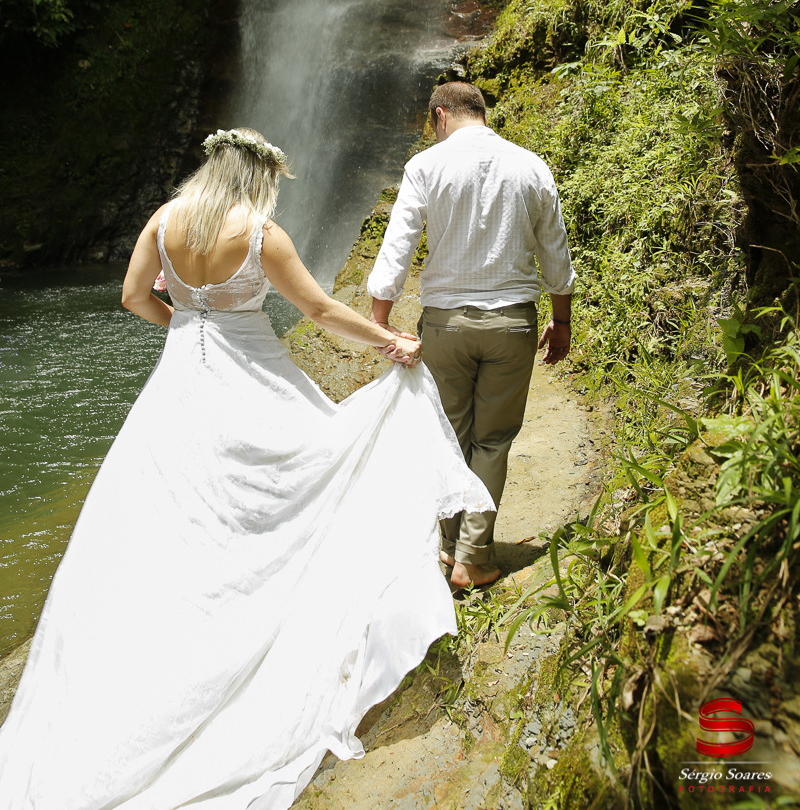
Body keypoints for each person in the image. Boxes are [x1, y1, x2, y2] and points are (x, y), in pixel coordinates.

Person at [0, 127, 492, 810]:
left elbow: (133, 297)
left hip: (177, 382)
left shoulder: (165, 221)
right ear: (257, 177)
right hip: (254, 372)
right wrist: (390, 340)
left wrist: (184, 324)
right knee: (302, 473)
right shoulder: (262, 234)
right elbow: (318, 309)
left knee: (176, 507)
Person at [368, 82, 576, 590]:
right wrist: (562, 317)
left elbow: (397, 246)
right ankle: (472, 558)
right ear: (481, 113)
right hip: (512, 323)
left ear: (440, 115)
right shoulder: (531, 166)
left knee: (447, 434)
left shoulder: (425, 166)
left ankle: (446, 546)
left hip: (445, 324)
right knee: (493, 440)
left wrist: (379, 321)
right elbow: (556, 250)